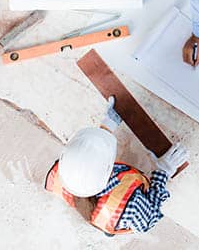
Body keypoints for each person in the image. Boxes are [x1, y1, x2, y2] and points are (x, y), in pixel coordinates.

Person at [45, 97, 189, 235]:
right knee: (133, 214)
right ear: (108, 170)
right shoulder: (132, 207)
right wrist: (163, 172)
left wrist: (109, 122)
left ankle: (107, 228)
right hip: (116, 215)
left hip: (98, 210)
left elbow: (91, 152)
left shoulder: (71, 169)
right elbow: (149, 218)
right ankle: (110, 230)